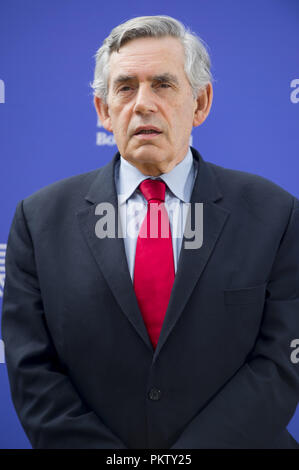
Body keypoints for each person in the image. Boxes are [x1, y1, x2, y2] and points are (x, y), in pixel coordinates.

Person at [2, 15, 299, 449]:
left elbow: (282, 361)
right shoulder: (38, 220)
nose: (142, 103)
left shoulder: (276, 214)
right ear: (104, 111)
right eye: (125, 87)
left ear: (200, 103)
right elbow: (32, 370)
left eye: (163, 84)